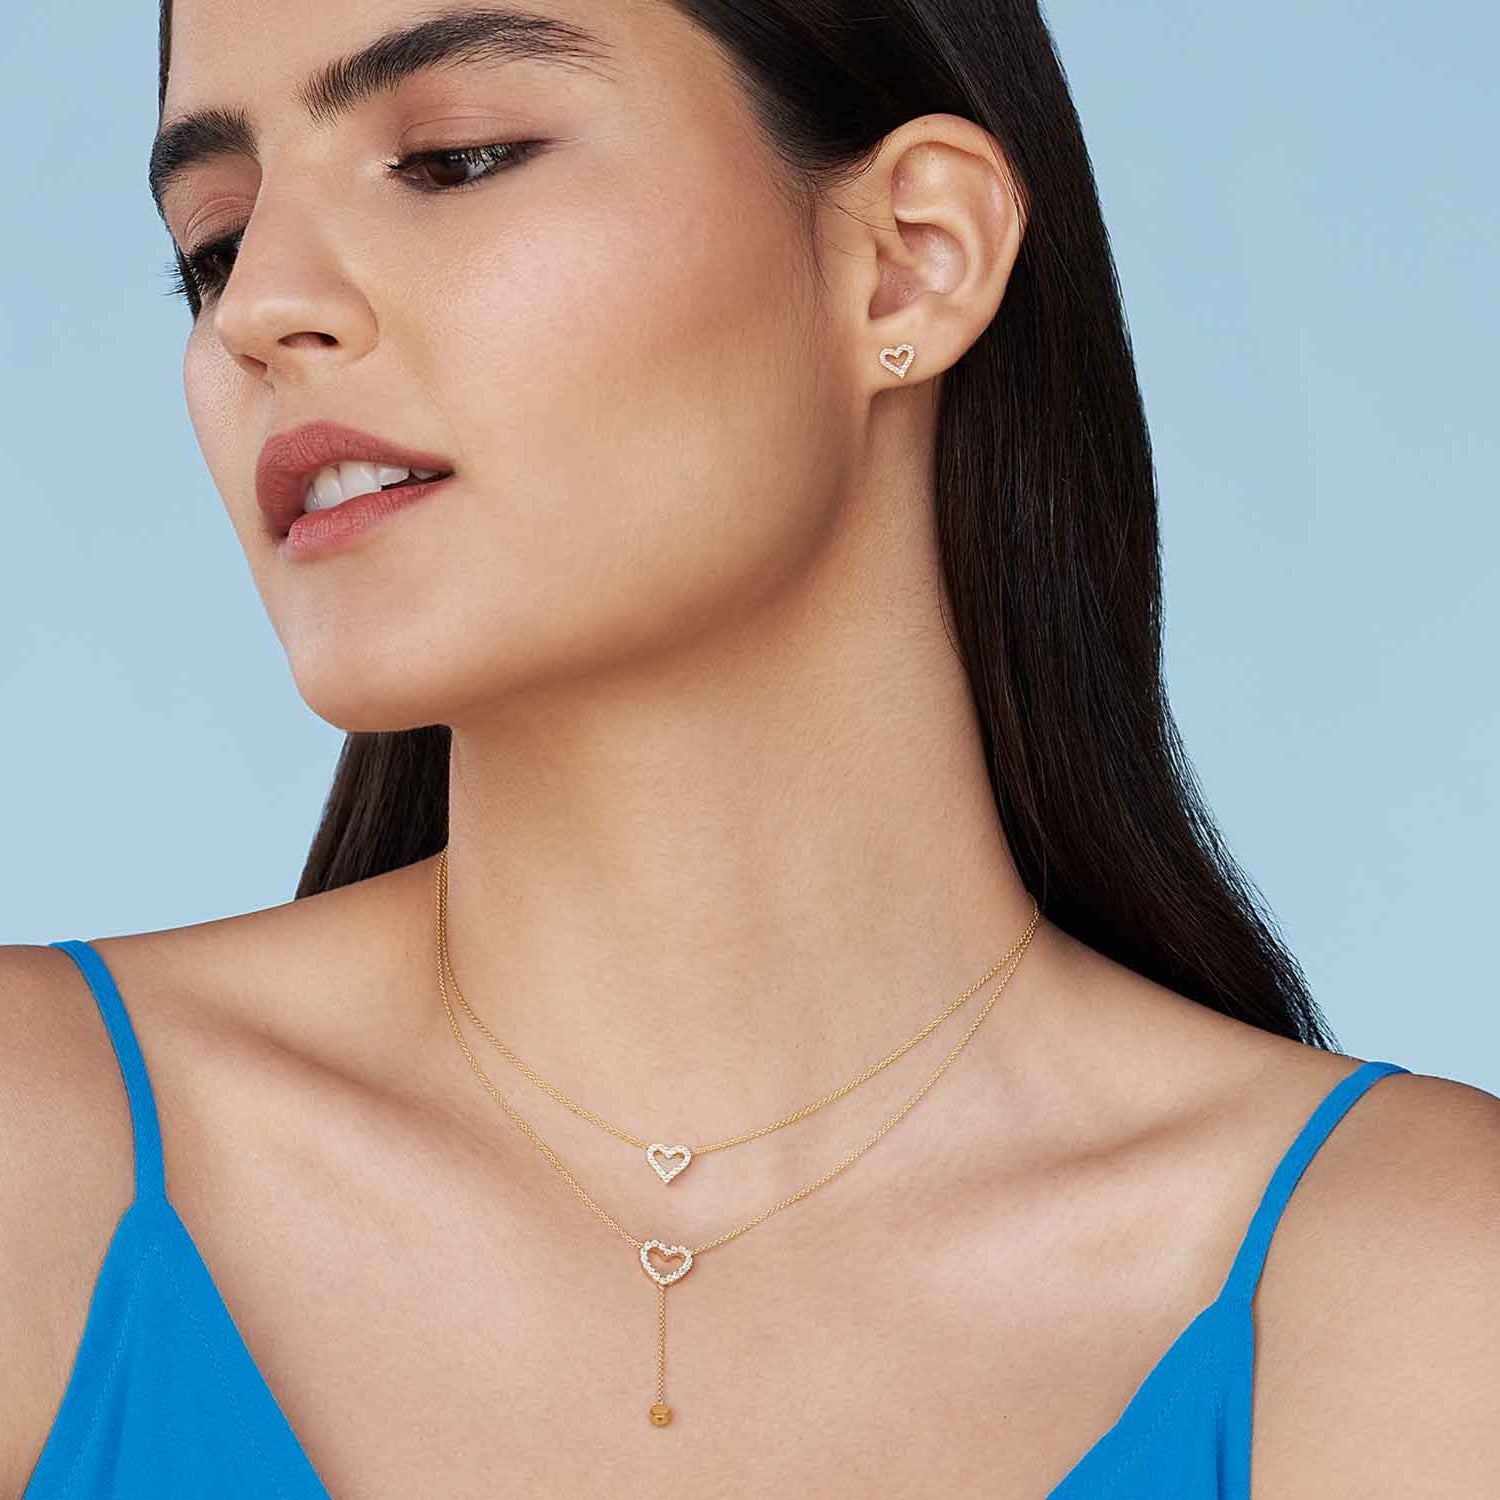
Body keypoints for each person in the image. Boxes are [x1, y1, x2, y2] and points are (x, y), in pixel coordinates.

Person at [5, 0, 1497, 1495]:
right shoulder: (39, 1154)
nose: (259, 307)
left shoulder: (1419, 1290)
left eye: (456, 159)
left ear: (910, 255)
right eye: (214, 244)